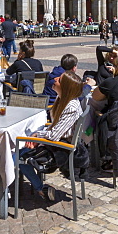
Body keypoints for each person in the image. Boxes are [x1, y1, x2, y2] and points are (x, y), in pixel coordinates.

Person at [18, 72, 85, 201]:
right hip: (57, 142)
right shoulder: (63, 100)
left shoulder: (70, 106)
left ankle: (40, 188)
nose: (54, 79)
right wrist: (37, 138)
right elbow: (55, 128)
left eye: (59, 79)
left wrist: (37, 135)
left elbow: (54, 135)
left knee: (18, 156)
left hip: (61, 149)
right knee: (23, 147)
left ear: (65, 87)